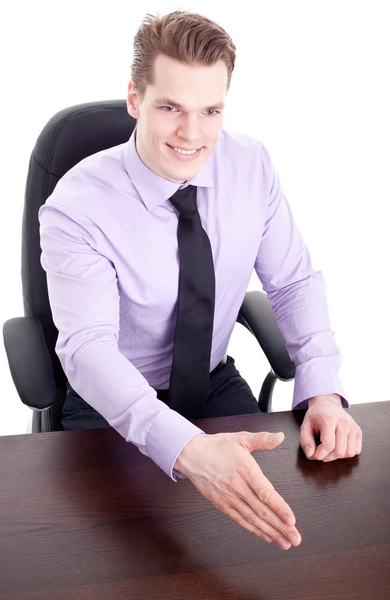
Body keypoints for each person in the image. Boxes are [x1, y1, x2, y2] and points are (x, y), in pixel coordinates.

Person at [38, 10, 362, 552]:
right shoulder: (78, 205)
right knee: (116, 559)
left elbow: (293, 281)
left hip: (210, 383)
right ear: (135, 99)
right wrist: (184, 446)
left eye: (210, 110)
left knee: (300, 530)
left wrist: (323, 389)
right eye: (171, 108)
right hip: (111, 402)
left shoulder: (250, 164)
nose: (192, 134)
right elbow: (88, 349)